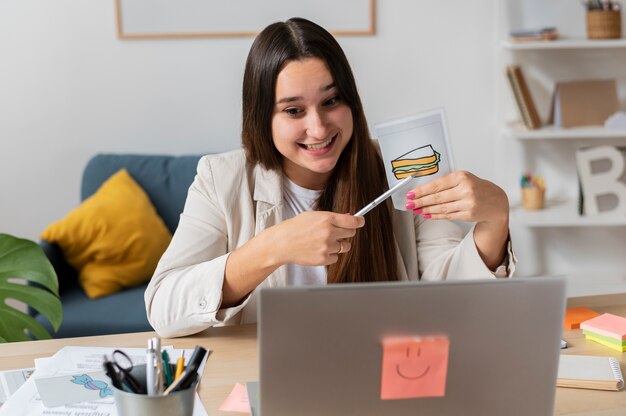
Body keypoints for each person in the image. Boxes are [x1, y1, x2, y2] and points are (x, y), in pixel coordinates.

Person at [145, 17, 516, 338]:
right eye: (293, 110)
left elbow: (452, 301)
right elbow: (163, 307)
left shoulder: (403, 168)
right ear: (262, 118)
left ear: (351, 101)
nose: (318, 128)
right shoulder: (221, 178)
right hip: (268, 374)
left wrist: (495, 218)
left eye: (331, 101)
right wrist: (272, 248)